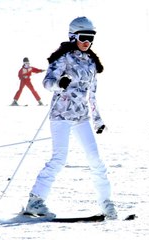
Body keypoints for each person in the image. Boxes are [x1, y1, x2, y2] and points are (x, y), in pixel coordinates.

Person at [24, 16, 117, 220]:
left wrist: (98, 120)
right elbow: (47, 83)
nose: (87, 42)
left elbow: (92, 94)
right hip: (61, 115)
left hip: (82, 116)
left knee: (96, 160)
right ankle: (35, 201)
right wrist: (59, 83)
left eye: (91, 38)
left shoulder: (92, 62)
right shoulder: (63, 57)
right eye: (84, 37)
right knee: (59, 158)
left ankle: (106, 203)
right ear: (73, 36)